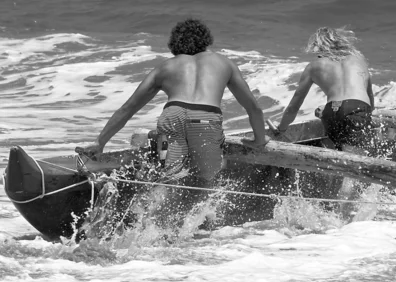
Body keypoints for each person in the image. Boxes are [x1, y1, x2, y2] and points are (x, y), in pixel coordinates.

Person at [79, 18, 269, 188]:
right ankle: (202, 223)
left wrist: (99, 141)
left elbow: (128, 109)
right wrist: (260, 139)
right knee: (206, 181)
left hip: (172, 118)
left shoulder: (165, 67)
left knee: (172, 181)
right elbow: (253, 108)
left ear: (175, 44)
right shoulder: (224, 63)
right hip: (205, 119)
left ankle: (158, 221)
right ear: (206, 40)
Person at [275, 27, 375, 153]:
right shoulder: (359, 60)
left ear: (318, 46)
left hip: (332, 111)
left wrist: (281, 129)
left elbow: (293, 106)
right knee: (360, 160)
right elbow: (370, 98)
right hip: (357, 108)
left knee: (341, 158)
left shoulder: (313, 66)